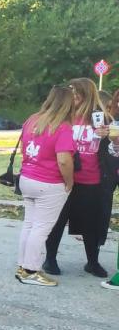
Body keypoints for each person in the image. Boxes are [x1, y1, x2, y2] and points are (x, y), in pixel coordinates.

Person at [43, 78, 114, 278]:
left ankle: (92, 262)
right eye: (70, 92)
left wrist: (108, 137)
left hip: (92, 180)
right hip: (63, 179)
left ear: (86, 94)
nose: (72, 96)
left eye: (75, 92)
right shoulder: (64, 116)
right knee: (57, 221)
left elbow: (112, 150)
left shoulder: (101, 118)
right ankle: (50, 259)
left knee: (91, 224)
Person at [15, 85, 76, 286]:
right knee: (41, 228)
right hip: (49, 183)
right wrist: (69, 181)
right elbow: (64, 160)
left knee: (30, 224)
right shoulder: (63, 127)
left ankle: (23, 266)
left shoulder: (33, 119)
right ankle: (31, 271)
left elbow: (24, 148)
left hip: (27, 177)